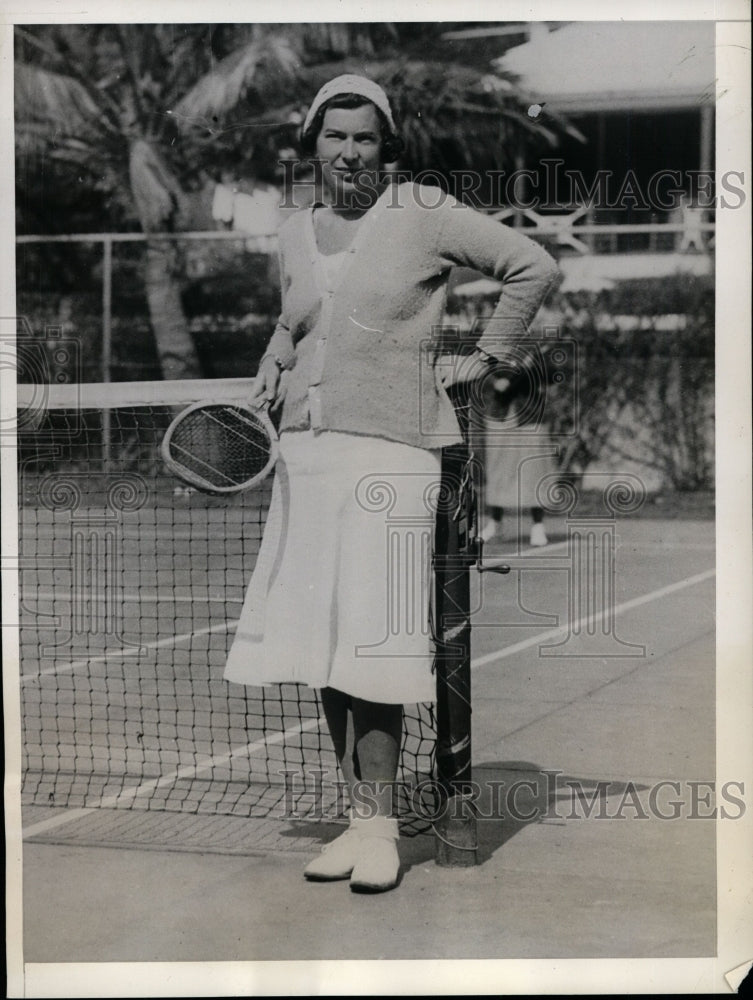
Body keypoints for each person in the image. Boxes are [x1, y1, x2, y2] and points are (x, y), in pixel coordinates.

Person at [224, 74, 559, 892]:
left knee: (373, 645)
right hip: (307, 456)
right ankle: (361, 822)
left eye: (363, 137)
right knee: (320, 643)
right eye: (334, 137)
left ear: (386, 147)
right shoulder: (294, 235)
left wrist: (488, 356)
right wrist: (273, 362)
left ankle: (384, 837)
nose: (348, 152)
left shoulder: (421, 212)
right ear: (313, 148)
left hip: (393, 455)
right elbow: (295, 319)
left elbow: (532, 266)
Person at [479, 354, 557, 547]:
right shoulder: (490, 347)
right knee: (498, 471)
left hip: (529, 418)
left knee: (533, 471)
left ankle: (537, 526)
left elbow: (552, 376)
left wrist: (532, 366)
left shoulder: (536, 350)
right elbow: (477, 371)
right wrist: (495, 381)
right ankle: (495, 524)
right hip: (499, 416)